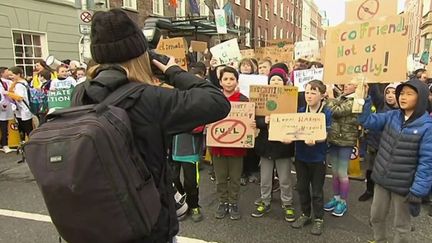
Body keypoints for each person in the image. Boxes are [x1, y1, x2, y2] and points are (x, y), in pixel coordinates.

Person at [71, 9, 230, 242]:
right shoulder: (149, 98)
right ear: (141, 55)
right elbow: (217, 102)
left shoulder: (79, 93)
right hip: (145, 224)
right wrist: (173, 72)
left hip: (97, 220)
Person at [358, 79, 432, 243]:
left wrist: (418, 191)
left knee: (401, 226)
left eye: (409, 94)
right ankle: (379, 240)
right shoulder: (392, 115)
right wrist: (365, 99)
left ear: (421, 98)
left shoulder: (427, 127)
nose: (403, 97)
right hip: (382, 179)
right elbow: (367, 121)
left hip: (404, 186)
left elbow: (427, 163)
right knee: (375, 217)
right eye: (402, 93)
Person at [251, 66, 296, 222]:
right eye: (273, 79)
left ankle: (287, 203)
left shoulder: (291, 99)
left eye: (278, 79)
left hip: (284, 145)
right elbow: (254, 119)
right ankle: (265, 200)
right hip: (265, 145)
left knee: (284, 178)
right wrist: (264, 121)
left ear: (284, 82)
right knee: (265, 177)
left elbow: (295, 120)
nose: (275, 82)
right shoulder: (261, 98)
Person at [290, 80, 331, 235]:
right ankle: (305, 214)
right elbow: (292, 131)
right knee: (302, 187)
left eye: (313, 92)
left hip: (318, 158)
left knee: (317, 190)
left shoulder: (326, 113)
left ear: (322, 95)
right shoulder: (300, 111)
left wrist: (317, 140)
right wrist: (288, 138)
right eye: (307, 92)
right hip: (301, 156)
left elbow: (327, 134)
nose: (309, 95)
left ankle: (319, 218)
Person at [211, 66, 251, 220]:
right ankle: (222, 202)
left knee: (235, 178)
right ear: (220, 82)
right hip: (218, 146)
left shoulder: (244, 100)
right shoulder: (214, 98)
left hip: (237, 147)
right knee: (221, 178)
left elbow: (248, 121)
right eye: (225, 79)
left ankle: (233, 203)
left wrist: (251, 125)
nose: (228, 82)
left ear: (236, 81)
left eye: (232, 79)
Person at [358, 83, 400, 202]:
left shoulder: (403, 111)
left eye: (394, 93)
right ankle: (369, 191)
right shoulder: (381, 104)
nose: (390, 96)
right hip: (375, 144)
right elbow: (374, 92)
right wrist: (372, 78)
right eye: (387, 93)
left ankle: (385, 193)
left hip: (391, 148)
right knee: (371, 169)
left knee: (386, 171)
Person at [323, 82, 360, 217]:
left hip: (346, 140)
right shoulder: (341, 97)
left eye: (350, 84)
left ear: (357, 87)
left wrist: (331, 98)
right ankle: (336, 197)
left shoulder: (356, 101)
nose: (346, 85)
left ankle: (343, 202)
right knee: (334, 172)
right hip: (334, 139)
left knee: (342, 172)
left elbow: (336, 111)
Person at [171, 125, 205, 223]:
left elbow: (200, 127)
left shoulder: (195, 109)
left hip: (191, 152)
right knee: (173, 179)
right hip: (173, 151)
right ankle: (182, 203)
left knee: (191, 182)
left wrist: (183, 123)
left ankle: (194, 205)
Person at [5, 67, 33, 142]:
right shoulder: (21, 82)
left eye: (12, 75)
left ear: (18, 74)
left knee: (27, 128)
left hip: (24, 109)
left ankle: (30, 143)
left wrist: (8, 93)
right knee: (25, 128)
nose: (10, 77)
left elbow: (20, 97)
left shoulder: (19, 85)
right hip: (21, 110)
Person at [0, 67, 14, 153]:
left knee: (4, 126)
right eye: (7, 71)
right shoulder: (2, 83)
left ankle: (5, 144)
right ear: (2, 73)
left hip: (5, 106)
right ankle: (4, 145)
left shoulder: (8, 82)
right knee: (3, 126)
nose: (8, 73)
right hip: (3, 106)